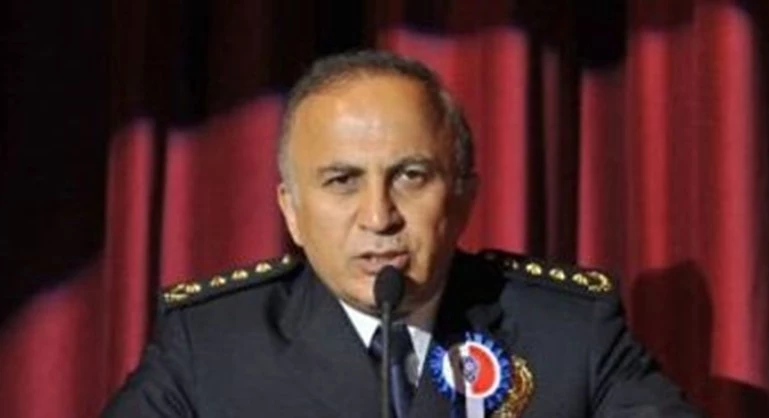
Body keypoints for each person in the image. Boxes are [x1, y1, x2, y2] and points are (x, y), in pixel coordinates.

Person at [102, 50, 701, 418]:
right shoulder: (211, 345)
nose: (378, 215)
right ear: (291, 211)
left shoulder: (568, 332)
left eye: (411, 176)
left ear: (463, 196)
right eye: (342, 181)